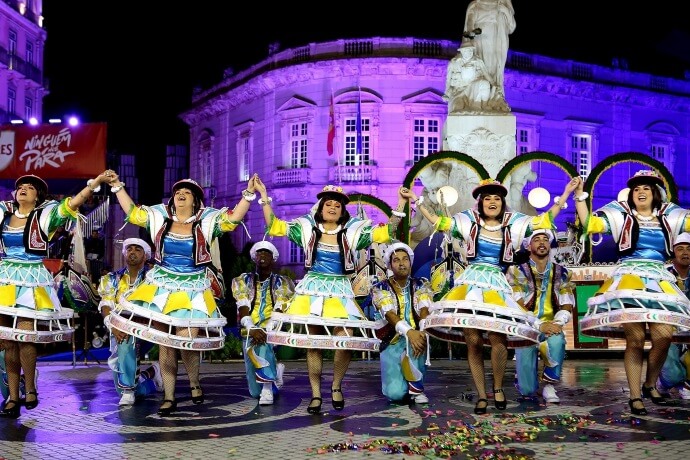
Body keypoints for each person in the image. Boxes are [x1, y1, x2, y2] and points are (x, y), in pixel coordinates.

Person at [409, 177, 577, 414]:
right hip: (470, 284)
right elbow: (440, 222)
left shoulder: (514, 223)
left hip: (497, 283)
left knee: (499, 341)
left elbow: (544, 220)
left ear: (502, 203)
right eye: (487, 198)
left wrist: (567, 192)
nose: (492, 202)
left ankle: (498, 388)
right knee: (474, 340)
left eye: (496, 198)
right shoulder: (469, 221)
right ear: (480, 202)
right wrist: (417, 202)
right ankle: (480, 394)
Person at [105, 171, 256, 416]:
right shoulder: (159, 217)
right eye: (178, 193)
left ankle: (194, 381)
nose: (181, 196)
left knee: (186, 341)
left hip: (193, 287)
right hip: (161, 286)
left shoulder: (206, 221)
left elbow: (233, 220)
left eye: (187, 193)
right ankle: (169, 396)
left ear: (195, 200)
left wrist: (248, 194)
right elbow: (132, 212)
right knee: (166, 343)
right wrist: (116, 186)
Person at [253, 177, 409, 414]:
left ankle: (336, 386)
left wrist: (399, 203)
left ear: (342, 210)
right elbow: (275, 226)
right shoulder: (306, 228)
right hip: (312, 289)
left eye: (338, 205)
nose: (333, 207)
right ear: (321, 207)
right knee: (313, 343)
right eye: (329, 204)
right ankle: (316, 394)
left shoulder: (353, 231)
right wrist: (264, 197)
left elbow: (386, 232)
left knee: (344, 338)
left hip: (340, 289)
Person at [573, 171, 690, 415]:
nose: (641, 192)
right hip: (629, 278)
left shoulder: (671, 215)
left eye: (646, 188)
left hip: (660, 279)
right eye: (637, 189)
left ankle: (650, 383)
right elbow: (590, 225)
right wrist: (578, 197)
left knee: (663, 336)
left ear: (655, 193)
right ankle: (635, 396)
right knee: (635, 340)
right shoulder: (621, 215)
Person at [0, 172, 112, 418]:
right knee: (7, 341)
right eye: (21, 186)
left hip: (31, 279)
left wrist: (95, 184)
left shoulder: (45, 215)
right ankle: (12, 396)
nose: (24, 189)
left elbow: (73, 203)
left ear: (37, 195)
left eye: (30, 187)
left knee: (26, 337)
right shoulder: (3, 213)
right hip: (4, 278)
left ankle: (30, 388)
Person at [506, 229, 575, 404]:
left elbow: (567, 301)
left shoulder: (562, 272)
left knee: (557, 340)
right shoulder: (516, 271)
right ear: (529, 245)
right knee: (527, 391)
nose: (542, 242)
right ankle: (524, 379)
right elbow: (516, 304)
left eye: (545, 239)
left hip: (551, 325)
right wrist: (537, 324)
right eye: (537, 240)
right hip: (525, 326)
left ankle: (549, 386)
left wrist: (558, 322)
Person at [98, 238, 162, 407]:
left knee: (127, 340)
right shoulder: (112, 279)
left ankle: (128, 390)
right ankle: (151, 374)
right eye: (129, 249)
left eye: (138, 249)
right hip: (119, 328)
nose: (132, 252)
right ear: (125, 253)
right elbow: (106, 304)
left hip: (149, 329)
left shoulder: (153, 279)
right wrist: (113, 326)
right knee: (124, 389)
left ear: (146, 255)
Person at [231, 241, 295, 406]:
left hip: (273, 328)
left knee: (263, 345)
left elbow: (280, 309)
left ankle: (267, 386)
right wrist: (251, 328)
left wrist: (267, 330)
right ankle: (274, 376)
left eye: (267, 253)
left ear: (273, 258)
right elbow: (243, 305)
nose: (263, 256)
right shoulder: (243, 280)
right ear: (254, 258)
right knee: (254, 392)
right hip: (249, 329)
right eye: (259, 253)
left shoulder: (282, 282)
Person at [371, 242, 433, 404]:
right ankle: (405, 385)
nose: (401, 263)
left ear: (410, 263)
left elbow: (424, 308)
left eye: (405, 259)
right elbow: (389, 314)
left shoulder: (421, 284)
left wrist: (422, 331)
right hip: (391, 341)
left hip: (416, 338)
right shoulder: (380, 288)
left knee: (419, 341)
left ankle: (417, 389)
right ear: (390, 265)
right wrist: (409, 332)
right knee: (396, 395)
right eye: (396, 260)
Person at [657, 232, 690, 399]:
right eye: (680, 249)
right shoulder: (663, 275)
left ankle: (686, 383)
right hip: (670, 325)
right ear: (673, 253)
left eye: (689, 249)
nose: (685, 253)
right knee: (666, 353)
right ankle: (669, 381)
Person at [463, 0, 515, 97]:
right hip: (479, 40)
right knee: (480, 66)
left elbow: (511, 26)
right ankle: (481, 94)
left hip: (496, 41)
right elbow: (469, 23)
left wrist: (506, 11)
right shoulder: (475, 5)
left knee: (493, 67)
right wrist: (471, 32)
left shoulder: (501, 4)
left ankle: (493, 93)